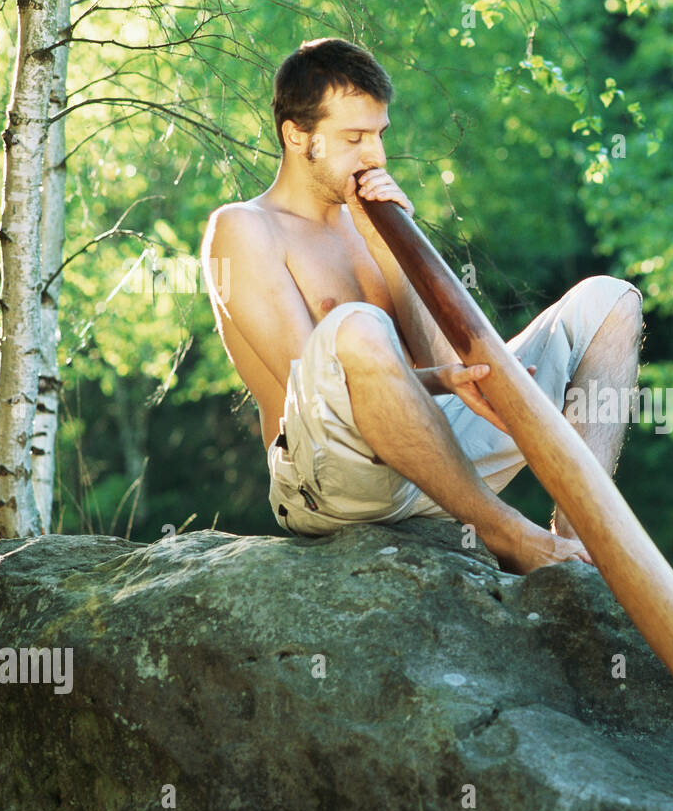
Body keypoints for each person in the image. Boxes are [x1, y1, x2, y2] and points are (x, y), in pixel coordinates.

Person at [200, 38, 644, 574]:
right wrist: (439, 380)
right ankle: (506, 532)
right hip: (332, 476)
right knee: (357, 326)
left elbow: (451, 358)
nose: (376, 157)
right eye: (354, 138)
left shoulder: (371, 219)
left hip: (430, 457)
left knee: (610, 300)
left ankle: (582, 541)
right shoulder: (243, 227)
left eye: (380, 135)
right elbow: (308, 378)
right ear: (299, 137)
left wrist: (391, 249)